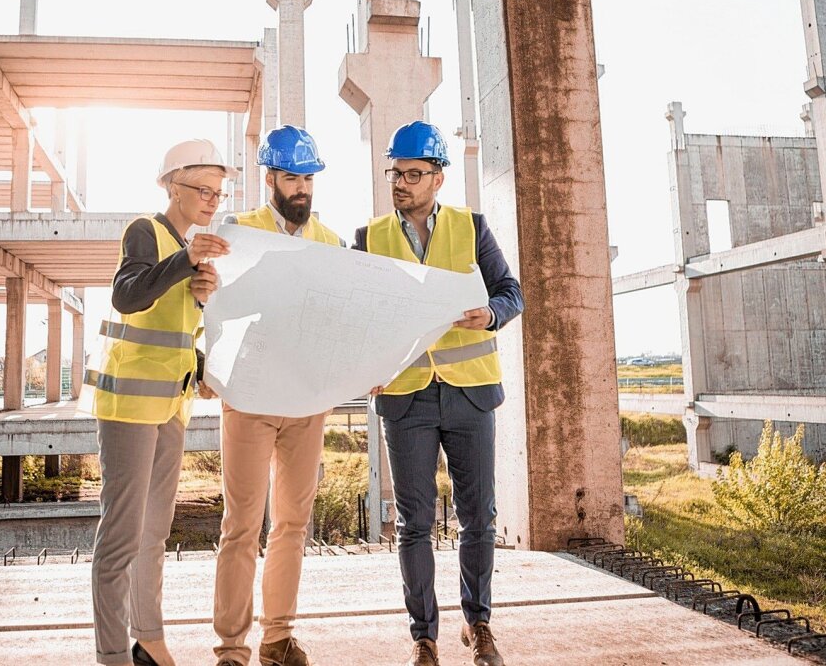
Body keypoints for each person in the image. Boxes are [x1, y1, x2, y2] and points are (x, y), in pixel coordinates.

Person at [352, 121, 524, 666]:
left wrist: (490, 314)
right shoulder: (370, 237)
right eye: (395, 173)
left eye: (412, 173)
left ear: (438, 178)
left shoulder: (471, 228)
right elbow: (355, 314)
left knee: (479, 517)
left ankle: (479, 625)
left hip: (470, 393)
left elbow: (510, 292)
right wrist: (365, 364)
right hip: (406, 398)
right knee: (415, 524)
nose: (400, 182)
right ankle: (424, 637)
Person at [88, 138, 236, 666]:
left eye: (219, 192)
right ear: (173, 185)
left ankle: (148, 639)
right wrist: (185, 260)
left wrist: (201, 363)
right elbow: (127, 296)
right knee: (121, 537)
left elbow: (173, 335)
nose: (212, 200)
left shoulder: (189, 248)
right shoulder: (145, 231)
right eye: (203, 189)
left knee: (153, 533)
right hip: (128, 407)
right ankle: (112, 655)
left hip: (171, 408)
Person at [212, 126, 341, 666]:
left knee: (291, 524)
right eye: (292, 177)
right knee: (241, 524)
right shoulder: (239, 231)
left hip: (307, 402)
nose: (302, 188)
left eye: (309, 178)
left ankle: (277, 637)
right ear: (270, 179)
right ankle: (232, 647)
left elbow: (341, 320)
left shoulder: (331, 243)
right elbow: (213, 306)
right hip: (250, 397)